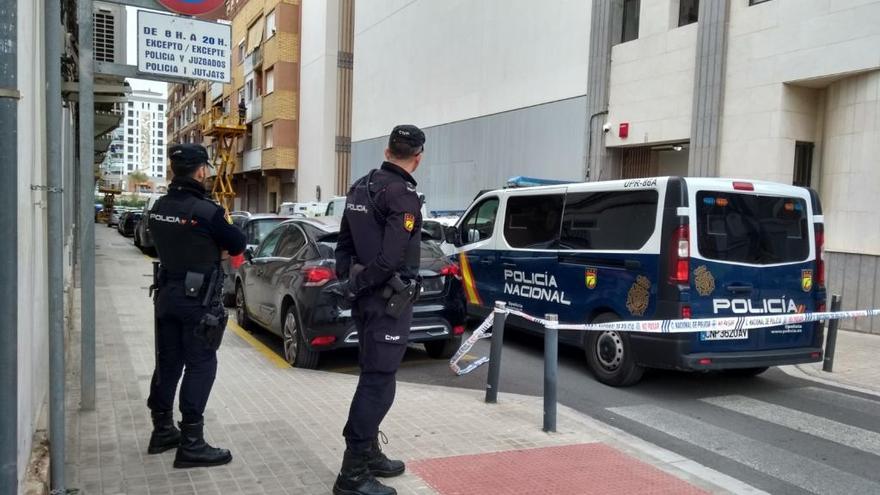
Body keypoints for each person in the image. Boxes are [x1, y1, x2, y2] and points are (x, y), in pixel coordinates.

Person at [332, 125, 426, 495]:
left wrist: (351, 280)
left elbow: (342, 245)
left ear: (388, 151)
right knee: (379, 383)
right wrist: (363, 283)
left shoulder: (360, 186)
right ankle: (352, 474)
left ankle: (368, 452)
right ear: (417, 157)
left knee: (372, 375)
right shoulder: (403, 196)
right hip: (387, 300)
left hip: (367, 298)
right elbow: (389, 259)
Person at [146, 143, 246, 469]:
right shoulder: (207, 211)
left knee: (168, 363)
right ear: (201, 170)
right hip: (198, 302)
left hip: (166, 295)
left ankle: (162, 429)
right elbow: (237, 243)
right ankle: (191, 442)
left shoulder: (159, 206)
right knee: (201, 365)